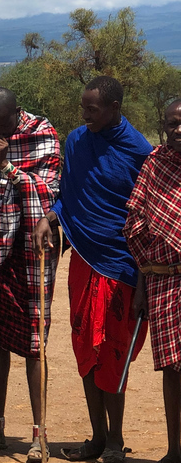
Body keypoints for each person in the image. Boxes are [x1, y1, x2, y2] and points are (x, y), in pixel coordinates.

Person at [33, 76, 152, 463]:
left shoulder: (139, 151)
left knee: (113, 351)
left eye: (93, 109)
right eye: (83, 107)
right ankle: (97, 438)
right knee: (86, 346)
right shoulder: (76, 142)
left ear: (115, 108)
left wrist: (145, 280)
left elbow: (147, 213)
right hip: (84, 260)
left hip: (122, 265)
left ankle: (116, 441)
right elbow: (69, 196)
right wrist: (51, 216)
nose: (85, 115)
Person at [0, 88, 61, 462]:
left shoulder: (42, 132)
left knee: (35, 340)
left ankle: (39, 435)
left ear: (17, 114)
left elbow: (49, 189)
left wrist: (7, 167)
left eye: (4, 123)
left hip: (33, 248)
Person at [125, 99, 181, 463]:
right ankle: (174, 449)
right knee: (173, 369)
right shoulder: (154, 165)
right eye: (171, 124)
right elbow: (136, 227)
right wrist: (143, 287)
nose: (178, 130)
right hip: (161, 280)